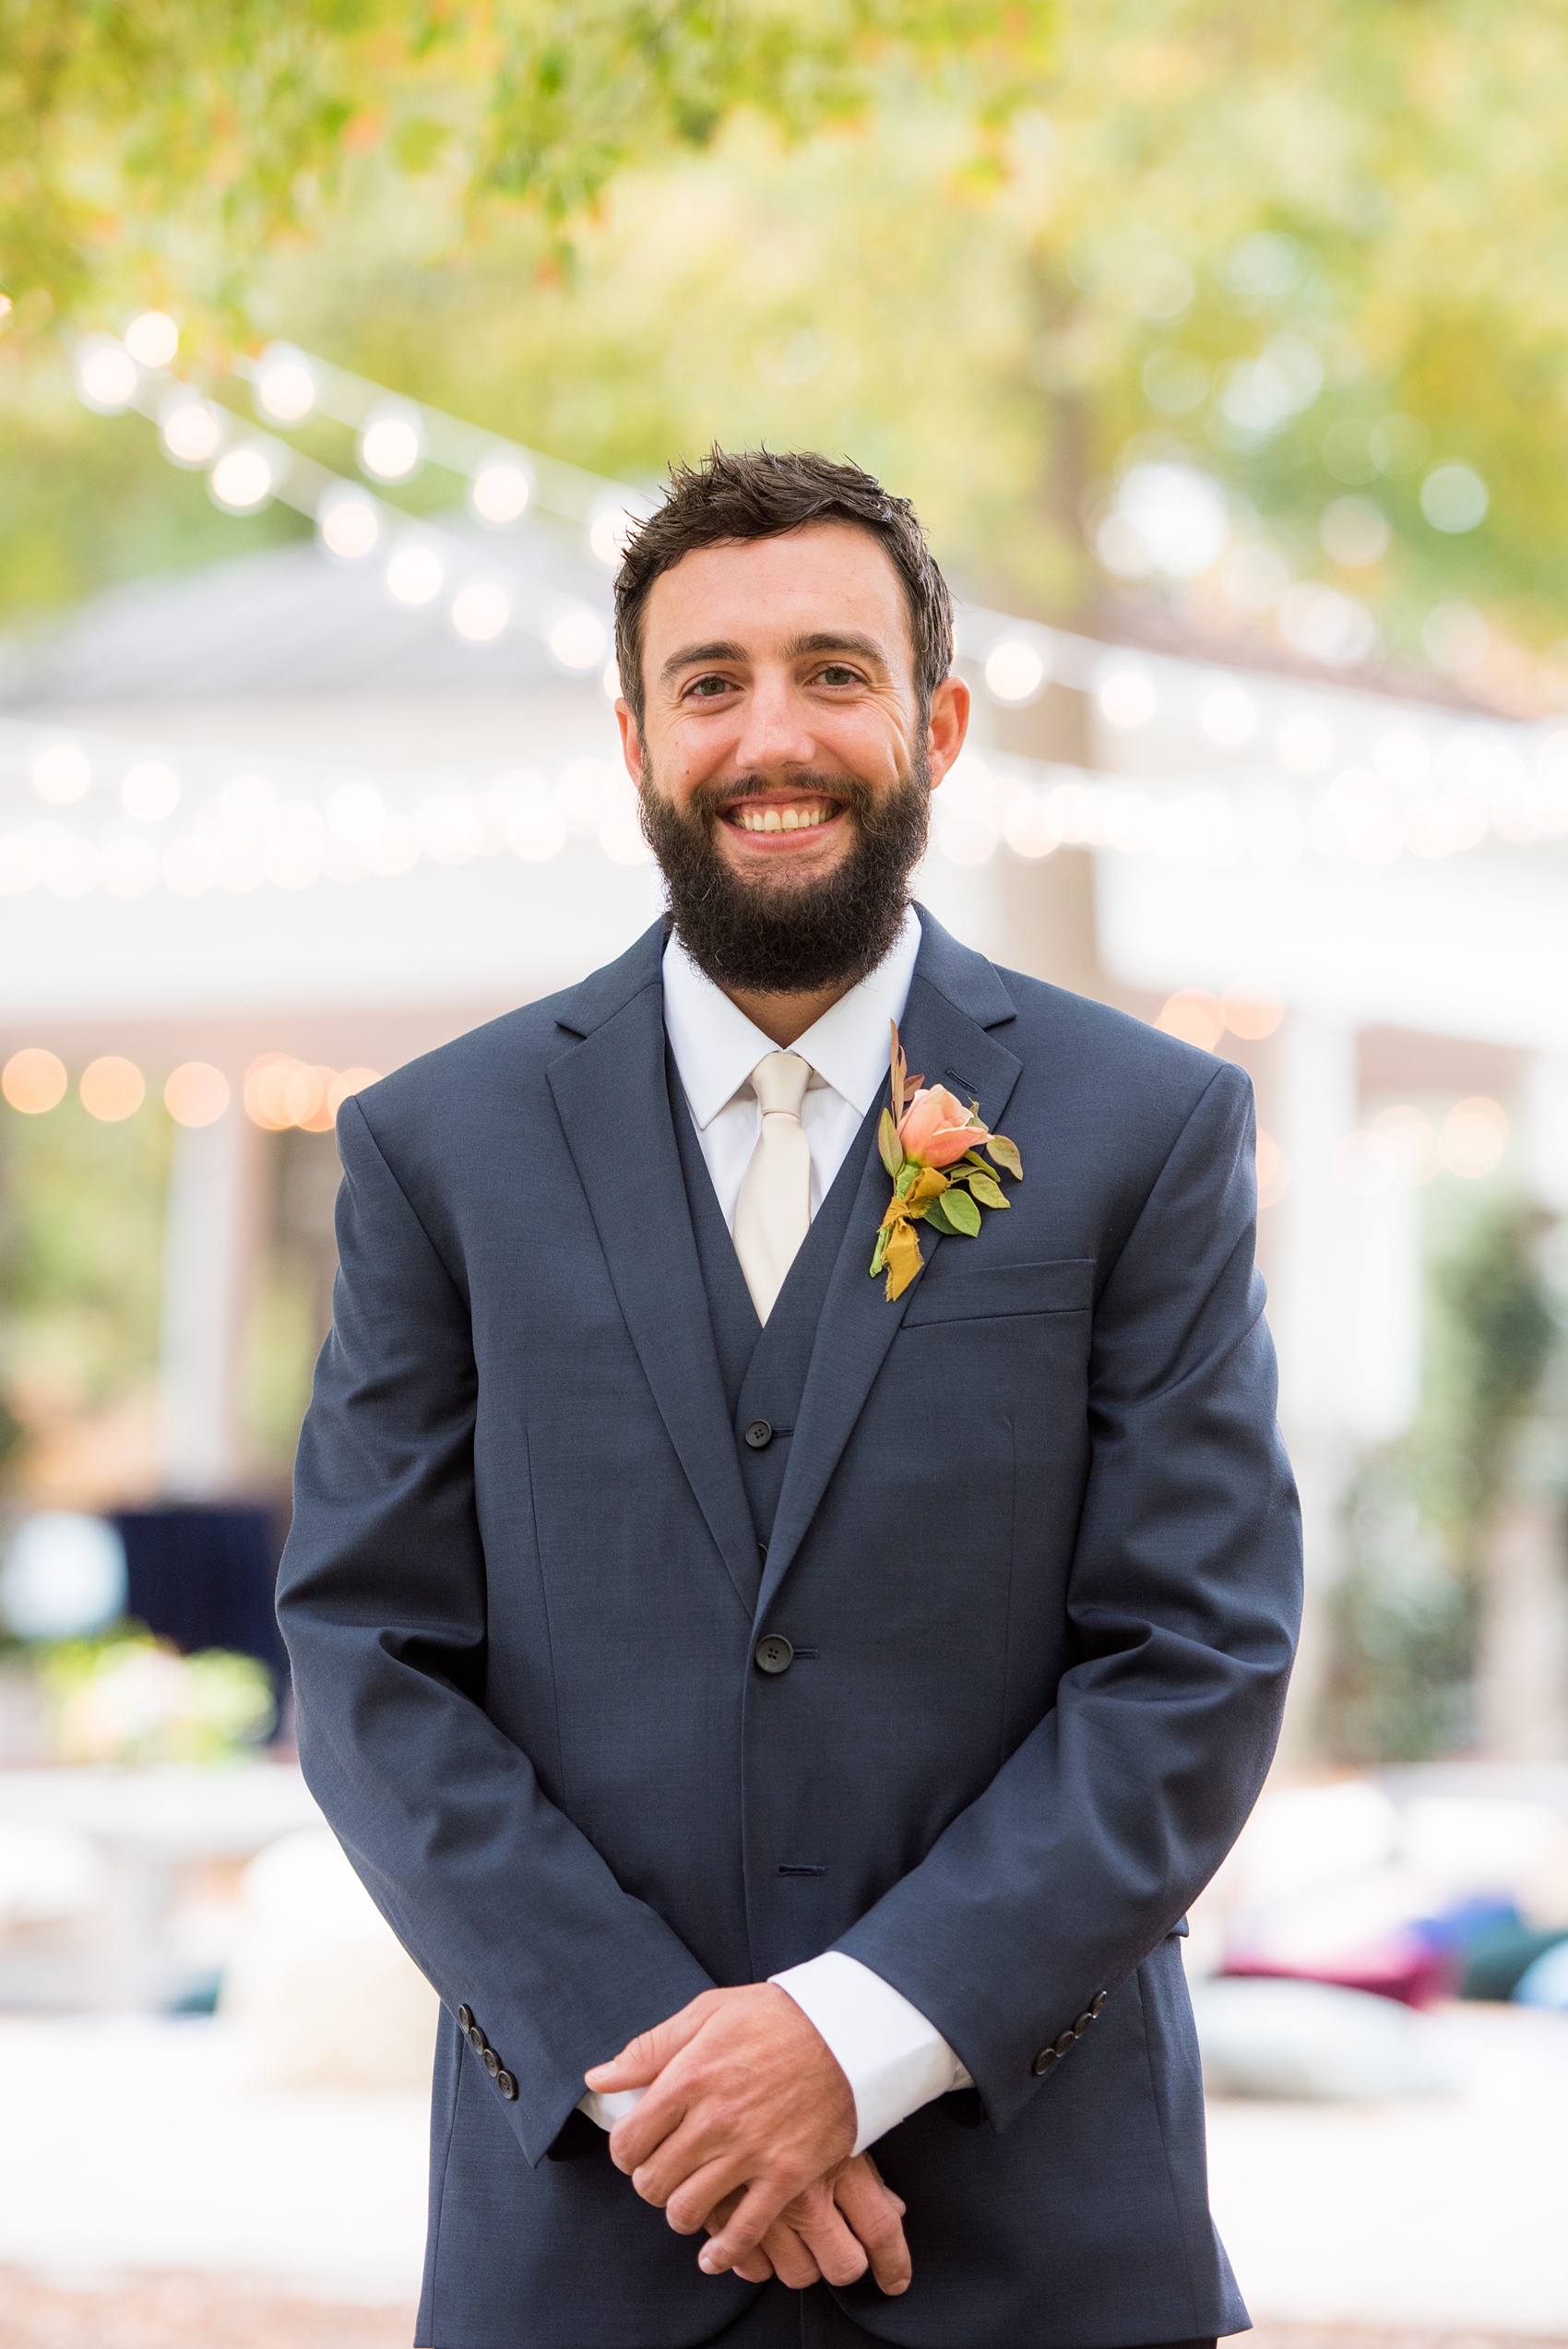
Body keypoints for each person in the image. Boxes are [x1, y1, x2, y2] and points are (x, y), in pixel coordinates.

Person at [277, 447, 1302, 2349]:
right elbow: (365, 1655)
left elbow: (1195, 1650)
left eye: (835, 671)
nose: (776, 733)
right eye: (711, 681)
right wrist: (667, 2078)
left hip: (1039, 2252)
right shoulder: (439, 1149)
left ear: (940, 721)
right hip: (587, 2237)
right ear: (632, 736)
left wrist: (852, 2040)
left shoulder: (1147, 1130)